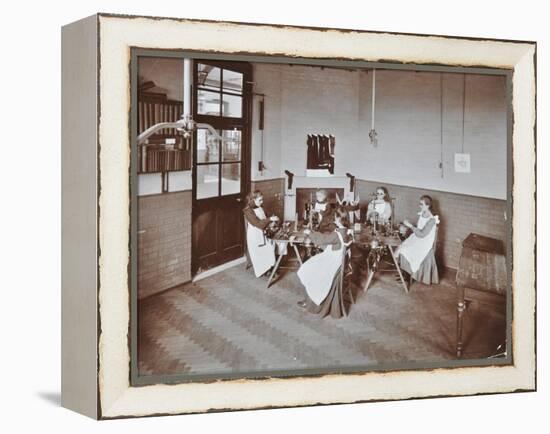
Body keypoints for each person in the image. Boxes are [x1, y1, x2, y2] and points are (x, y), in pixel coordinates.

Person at [297, 208, 353, 319]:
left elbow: (321, 240)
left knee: (306, 269)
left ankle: (312, 302)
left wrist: (310, 233)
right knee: (311, 266)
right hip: (338, 263)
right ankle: (309, 299)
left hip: (332, 264)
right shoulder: (346, 231)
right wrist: (314, 234)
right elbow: (328, 241)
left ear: (338, 218)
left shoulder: (337, 234)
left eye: (335, 217)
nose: (334, 219)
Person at [397, 195, 440, 285]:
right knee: (402, 247)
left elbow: (422, 234)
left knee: (406, 250)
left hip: (424, 241)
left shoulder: (432, 220)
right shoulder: (422, 213)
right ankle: (404, 274)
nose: (419, 206)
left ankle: (408, 278)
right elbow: (419, 229)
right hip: (417, 238)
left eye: (421, 204)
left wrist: (410, 226)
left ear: (428, 205)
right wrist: (408, 226)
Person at [243, 190, 278, 278]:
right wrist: (270, 219)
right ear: (253, 200)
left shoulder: (260, 207)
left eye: (262, 200)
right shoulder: (248, 211)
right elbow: (258, 224)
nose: (262, 202)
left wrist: (272, 223)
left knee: (273, 245)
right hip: (255, 237)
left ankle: (270, 267)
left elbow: (265, 220)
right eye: (260, 200)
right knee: (268, 249)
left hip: (263, 233)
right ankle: (265, 270)